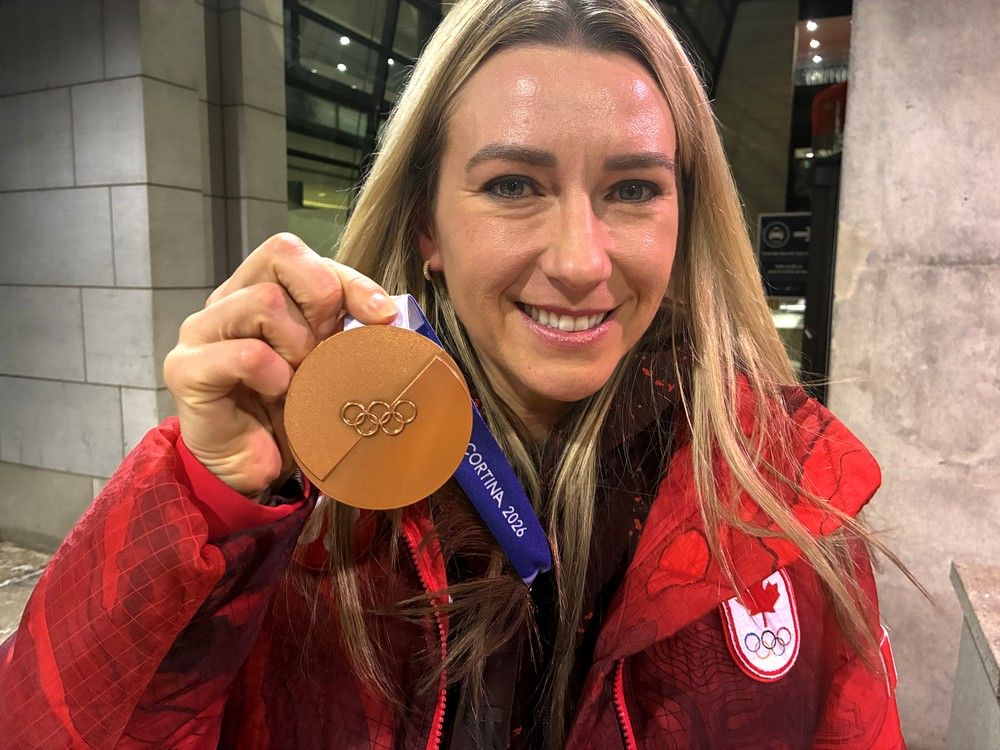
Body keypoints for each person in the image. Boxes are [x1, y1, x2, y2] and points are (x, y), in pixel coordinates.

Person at [0, 0, 907, 747]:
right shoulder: (305, 495)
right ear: (428, 226)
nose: (582, 261)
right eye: (514, 184)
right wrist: (205, 508)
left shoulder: (783, 496)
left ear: (685, 217)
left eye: (633, 189)